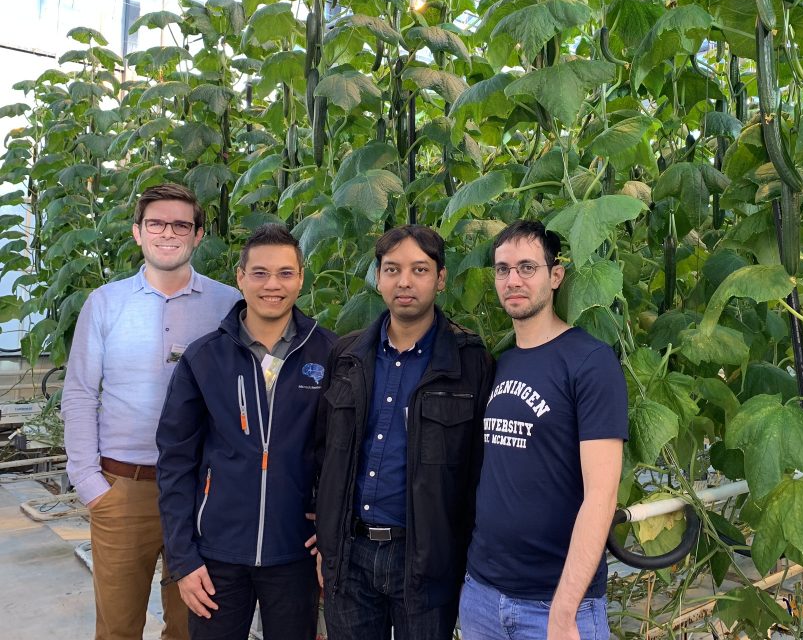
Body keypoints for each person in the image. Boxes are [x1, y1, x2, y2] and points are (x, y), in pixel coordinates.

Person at [61, 182, 241, 640]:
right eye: (156, 223)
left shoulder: (227, 305)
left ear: (199, 234)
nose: (168, 233)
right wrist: (89, 483)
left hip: (204, 491)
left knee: (193, 626)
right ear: (138, 232)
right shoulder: (106, 303)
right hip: (124, 489)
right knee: (118, 628)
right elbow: (80, 393)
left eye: (181, 224)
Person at [155, 223, 337, 640]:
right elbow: (176, 463)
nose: (272, 285)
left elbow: (339, 456)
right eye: (259, 273)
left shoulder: (331, 354)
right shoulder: (204, 358)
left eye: (285, 273)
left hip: (295, 553)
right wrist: (183, 560)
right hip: (216, 555)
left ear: (301, 277)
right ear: (240, 277)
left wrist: (329, 536)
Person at [316, 225, 493, 640]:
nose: (405, 282)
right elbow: (323, 455)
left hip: (426, 558)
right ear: (378, 277)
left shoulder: (470, 362)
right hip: (350, 553)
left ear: (441, 278)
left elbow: (479, 470)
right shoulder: (347, 355)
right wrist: (324, 540)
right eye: (393, 269)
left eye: (420, 269)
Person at [460, 220, 629, 640]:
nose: (512, 280)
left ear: (555, 276)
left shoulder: (590, 362)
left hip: (554, 605)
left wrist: (564, 611)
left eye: (526, 267)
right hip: (482, 594)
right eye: (502, 269)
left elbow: (601, 497)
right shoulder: (500, 363)